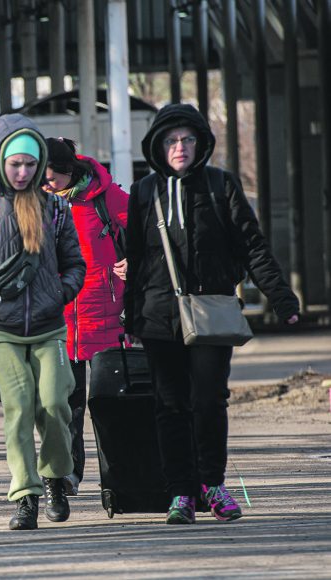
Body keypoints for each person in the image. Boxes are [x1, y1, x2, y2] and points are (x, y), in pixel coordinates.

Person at [124, 103, 300, 525]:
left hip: (212, 311)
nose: (179, 147)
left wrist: (282, 298)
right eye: (171, 140)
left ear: (200, 143)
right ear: (157, 147)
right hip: (158, 314)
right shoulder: (145, 192)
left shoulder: (221, 185)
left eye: (186, 139)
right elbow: (134, 257)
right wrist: (130, 318)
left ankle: (213, 484)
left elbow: (251, 245)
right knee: (169, 405)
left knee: (208, 400)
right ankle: (181, 493)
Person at [0, 114, 86, 530]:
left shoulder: (57, 209)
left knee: (55, 403)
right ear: (0, 163)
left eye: (31, 164)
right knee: (20, 406)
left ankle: (55, 478)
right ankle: (25, 495)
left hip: (48, 326)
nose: (24, 171)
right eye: (15, 164)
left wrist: (59, 294)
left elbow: (74, 264)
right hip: (1, 329)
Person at [42, 137, 129, 496]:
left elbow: (149, 234)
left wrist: (135, 261)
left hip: (106, 314)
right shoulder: (38, 203)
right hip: (60, 318)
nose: (45, 185)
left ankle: (120, 479)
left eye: (51, 178)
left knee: (110, 406)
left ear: (67, 171)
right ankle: (69, 474)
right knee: (66, 405)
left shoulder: (105, 197)